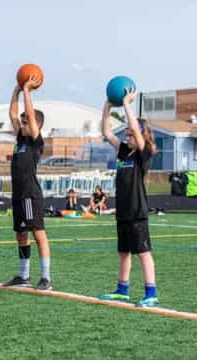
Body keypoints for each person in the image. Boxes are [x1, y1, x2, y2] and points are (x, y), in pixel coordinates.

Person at [99, 90, 159, 307]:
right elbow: (106, 131)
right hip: (123, 210)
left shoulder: (144, 153)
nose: (127, 136)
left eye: (131, 134)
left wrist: (125, 104)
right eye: (126, 134)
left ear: (141, 135)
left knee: (143, 252)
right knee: (123, 252)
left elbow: (135, 127)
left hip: (137, 211)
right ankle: (122, 289)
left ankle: (151, 292)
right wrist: (107, 106)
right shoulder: (124, 151)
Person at [3, 75, 52, 290]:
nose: (21, 124)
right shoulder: (20, 140)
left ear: (36, 126)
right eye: (22, 122)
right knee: (21, 235)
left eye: (25, 122)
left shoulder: (35, 141)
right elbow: (13, 114)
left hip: (31, 195)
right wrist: (16, 91)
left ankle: (45, 278)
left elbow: (29, 115)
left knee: (38, 234)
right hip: (18, 195)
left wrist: (27, 91)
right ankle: (23, 276)